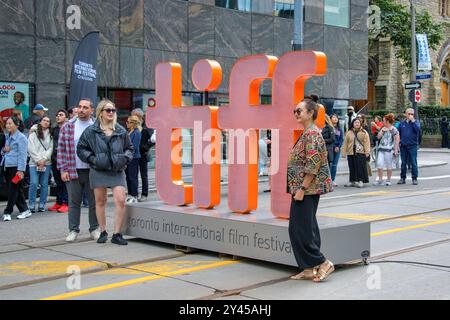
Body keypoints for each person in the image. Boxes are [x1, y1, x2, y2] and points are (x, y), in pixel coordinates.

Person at [287, 96, 334, 282]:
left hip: (307, 190)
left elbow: (313, 163)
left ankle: (323, 263)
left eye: (299, 111)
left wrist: (302, 188)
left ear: (311, 113)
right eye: (295, 111)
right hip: (303, 189)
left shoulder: (313, 134)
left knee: (300, 230)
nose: (296, 114)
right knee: (304, 228)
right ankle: (307, 268)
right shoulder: (307, 133)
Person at [77, 99, 134, 245]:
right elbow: (81, 149)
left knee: (120, 199)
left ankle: (117, 234)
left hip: (117, 169)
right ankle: (103, 231)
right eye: (108, 110)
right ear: (100, 112)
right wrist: (94, 160)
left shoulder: (120, 130)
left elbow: (130, 148)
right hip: (98, 169)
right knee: (100, 201)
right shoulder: (91, 131)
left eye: (113, 110)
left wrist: (123, 159)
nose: (111, 113)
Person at [57, 98, 100, 242]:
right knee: (73, 202)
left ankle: (94, 229)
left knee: (94, 202)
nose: (81, 109)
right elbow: (61, 149)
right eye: (79, 106)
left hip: (92, 171)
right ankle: (73, 230)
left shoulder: (97, 126)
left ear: (92, 110)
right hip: (72, 169)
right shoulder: (68, 126)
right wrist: (63, 170)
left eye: (85, 107)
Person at [1, 117, 30, 221]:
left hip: (16, 168)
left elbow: (23, 155)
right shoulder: (8, 136)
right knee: (17, 190)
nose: (7, 125)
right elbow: (4, 151)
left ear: (16, 125)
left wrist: (21, 170)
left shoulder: (21, 137)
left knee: (12, 191)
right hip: (7, 166)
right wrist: (4, 150)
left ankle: (7, 212)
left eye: (10, 123)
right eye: (7, 123)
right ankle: (25, 210)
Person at [27, 116, 53, 213]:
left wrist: (44, 159)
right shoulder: (33, 133)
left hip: (46, 163)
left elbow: (51, 148)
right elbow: (30, 148)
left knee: (44, 184)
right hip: (34, 163)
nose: (46, 122)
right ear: (40, 122)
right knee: (33, 183)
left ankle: (42, 205)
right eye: (44, 120)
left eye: (48, 121)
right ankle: (31, 205)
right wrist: (38, 160)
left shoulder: (51, 134)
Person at [131, 108, 154, 202]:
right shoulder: (133, 126)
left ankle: (144, 194)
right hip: (133, 154)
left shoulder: (147, 126)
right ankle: (134, 194)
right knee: (133, 175)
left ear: (139, 116)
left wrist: (146, 147)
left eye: (134, 115)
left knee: (143, 175)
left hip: (143, 154)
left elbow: (153, 139)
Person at [48, 109, 69, 213]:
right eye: (56, 115)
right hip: (55, 159)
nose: (58, 116)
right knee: (58, 182)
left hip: (65, 160)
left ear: (66, 117)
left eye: (60, 115)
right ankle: (59, 202)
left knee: (65, 182)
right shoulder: (54, 129)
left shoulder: (69, 128)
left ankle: (66, 203)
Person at [342, 118, 371, 188]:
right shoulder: (349, 132)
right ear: (353, 124)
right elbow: (345, 143)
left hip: (360, 152)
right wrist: (343, 152)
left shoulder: (364, 132)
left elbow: (367, 143)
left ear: (360, 124)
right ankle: (352, 181)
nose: (357, 124)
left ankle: (361, 181)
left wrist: (367, 152)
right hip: (350, 152)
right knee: (351, 167)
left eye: (358, 122)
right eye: (355, 122)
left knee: (360, 167)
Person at [373, 113, 400, 186]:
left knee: (389, 165)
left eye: (383, 121)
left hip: (389, 150)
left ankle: (388, 180)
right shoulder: (383, 128)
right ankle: (380, 180)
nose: (382, 122)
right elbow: (378, 137)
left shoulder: (394, 129)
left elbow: (397, 140)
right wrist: (382, 131)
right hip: (381, 149)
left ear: (387, 121)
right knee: (379, 164)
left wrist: (395, 150)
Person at [397, 108, 421, 185]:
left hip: (412, 145)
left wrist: (413, 121)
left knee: (413, 162)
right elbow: (398, 134)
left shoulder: (416, 122)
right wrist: (398, 144)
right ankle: (402, 178)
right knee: (403, 162)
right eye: (409, 114)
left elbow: (418, 130)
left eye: (412, 114)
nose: (411, 115)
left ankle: (414, 178)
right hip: (403, 146)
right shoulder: (402, 123)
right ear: (406, 114)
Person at [125, 116, 142, 203]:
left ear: (133, 123)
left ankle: (134, 195)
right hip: (128, 158)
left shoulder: (136, 133)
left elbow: (134, 146)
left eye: (128, 122)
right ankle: (130, 194)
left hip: (134, 158)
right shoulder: (129, 132)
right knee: (128, 177)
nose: (126, 123)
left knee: (133, 177)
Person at [330, 114, 343, 187]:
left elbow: (341, 139)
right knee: (329, 164)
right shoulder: (328, 128)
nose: (335, 119)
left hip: (337, 149)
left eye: (336, 118)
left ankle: (333, 180)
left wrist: (338, 146)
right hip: (330, 148)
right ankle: (328, 180)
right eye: (333, 117)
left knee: (334, 165)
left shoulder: (339, 129)